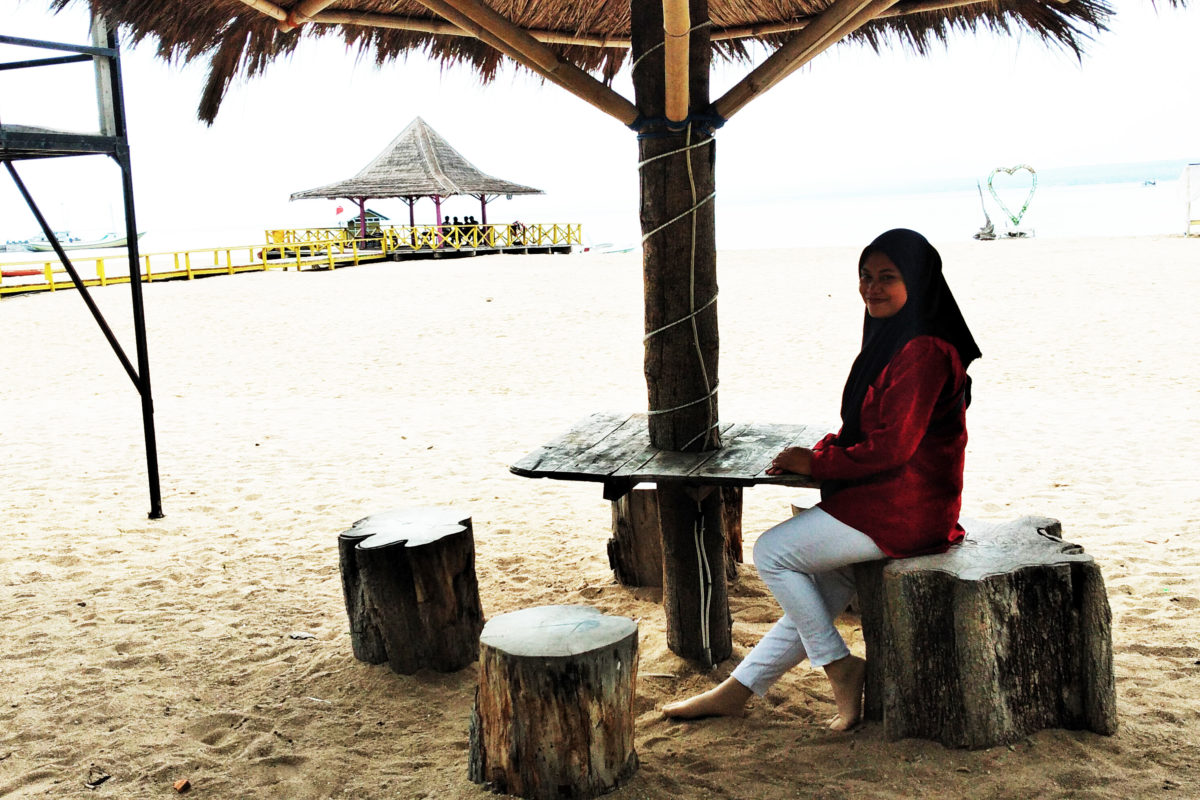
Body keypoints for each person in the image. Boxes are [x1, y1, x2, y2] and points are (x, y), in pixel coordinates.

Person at [662, 228, 981, 731]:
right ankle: (735, 693)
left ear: (918, 281)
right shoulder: (900, 336)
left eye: (888, 277)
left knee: (773, 553)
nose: (871, 288)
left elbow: (892, 447)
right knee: (813, 602)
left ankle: (839, 667)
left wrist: (819, 463)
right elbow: (872, 430)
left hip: (907, 508)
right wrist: (825, 451)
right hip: (890, 498)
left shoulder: (924, 350)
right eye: (865, 275)